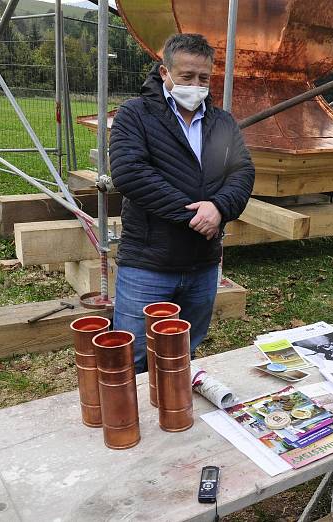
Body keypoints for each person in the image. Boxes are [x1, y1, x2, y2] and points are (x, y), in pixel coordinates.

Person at [110, 33, 255, 372]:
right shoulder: (136, 115)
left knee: (182, 352)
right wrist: (196, 214)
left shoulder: (222, 122)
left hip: (202, 264)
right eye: (187, 76)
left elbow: (242, 172)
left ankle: (172, 413)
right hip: (148, 263)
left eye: (203, 78)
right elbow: (130, 173)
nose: (196, 85)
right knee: (134, 356)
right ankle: (129, 420)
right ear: (165, 73)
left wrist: (219, 208)